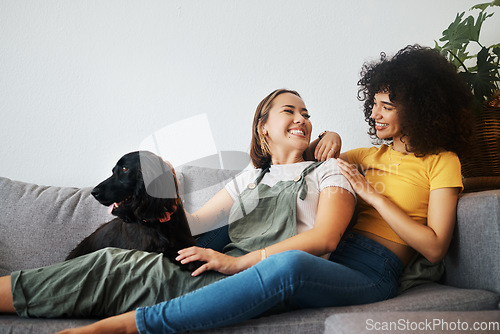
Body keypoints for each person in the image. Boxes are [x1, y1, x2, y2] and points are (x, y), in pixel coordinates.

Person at [51, 44, 473, 333]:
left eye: (387, 105)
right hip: (337, 256)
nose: (375, 113)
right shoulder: (365, 156)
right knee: (216, 237)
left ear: (418, 108)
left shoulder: (442, 163)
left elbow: (435, 247)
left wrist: (375, 196)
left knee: (285, 268)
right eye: (374, 102)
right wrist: (331, 136)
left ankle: (138, 324)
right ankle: (105, 278)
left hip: (374, 270)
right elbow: (292, 164)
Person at [0, 89, 356, 321]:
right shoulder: (252, 176)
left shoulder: (330, 170)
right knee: (120, 260)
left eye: (306, 113)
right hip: (222, 271)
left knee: (115, 264)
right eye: (289, 111)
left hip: (261, 279)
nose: (302, 119)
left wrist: (236, 262)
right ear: (263, 127)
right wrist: (166, 190)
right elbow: (197, 222)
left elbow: (326, 238)